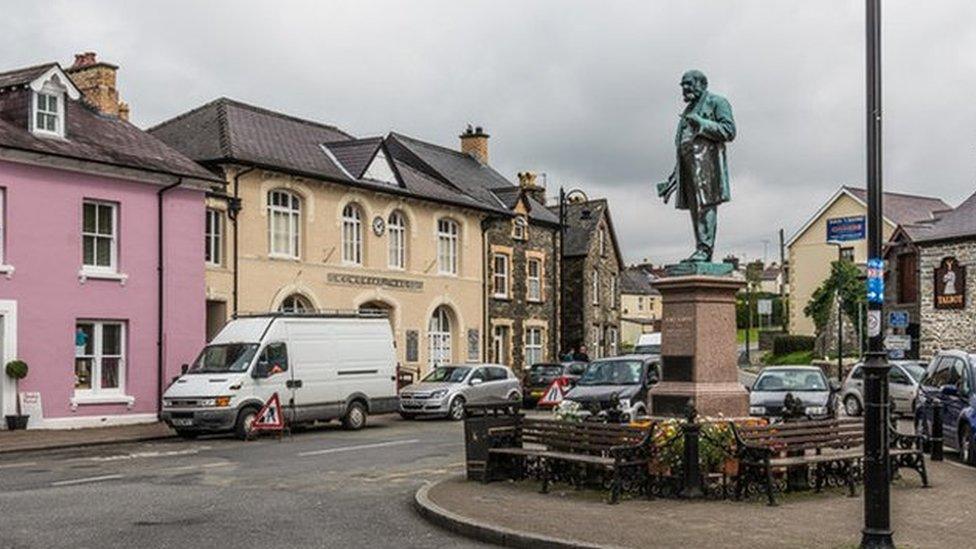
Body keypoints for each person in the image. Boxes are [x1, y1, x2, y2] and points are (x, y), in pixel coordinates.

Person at [657, 69, 736, 263]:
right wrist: (672, 180)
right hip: (688, 166)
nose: (684, 88)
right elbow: (684, 145)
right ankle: (701, 248)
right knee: (696, 210)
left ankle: (705, 249)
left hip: (707, 166)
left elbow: (729, 131)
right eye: (683, 85)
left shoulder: (717, 102)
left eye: (688, 83)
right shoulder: (687, 111)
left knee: (705, 206)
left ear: (702, 84)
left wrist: (702, 123)